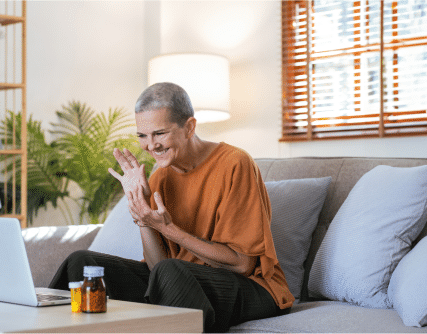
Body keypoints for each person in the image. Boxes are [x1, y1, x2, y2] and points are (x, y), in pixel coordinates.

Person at [49, 82, 294, 332]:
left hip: (253, 286)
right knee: (81, 262)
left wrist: (170, 230)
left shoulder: (235, 163)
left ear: (189, 127)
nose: (150, 145)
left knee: (172, 271)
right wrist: (142, 213)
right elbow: (156, 268)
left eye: (159, 133)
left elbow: (243, 264)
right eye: (142, 136)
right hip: (179, 281)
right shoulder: (160, 177)